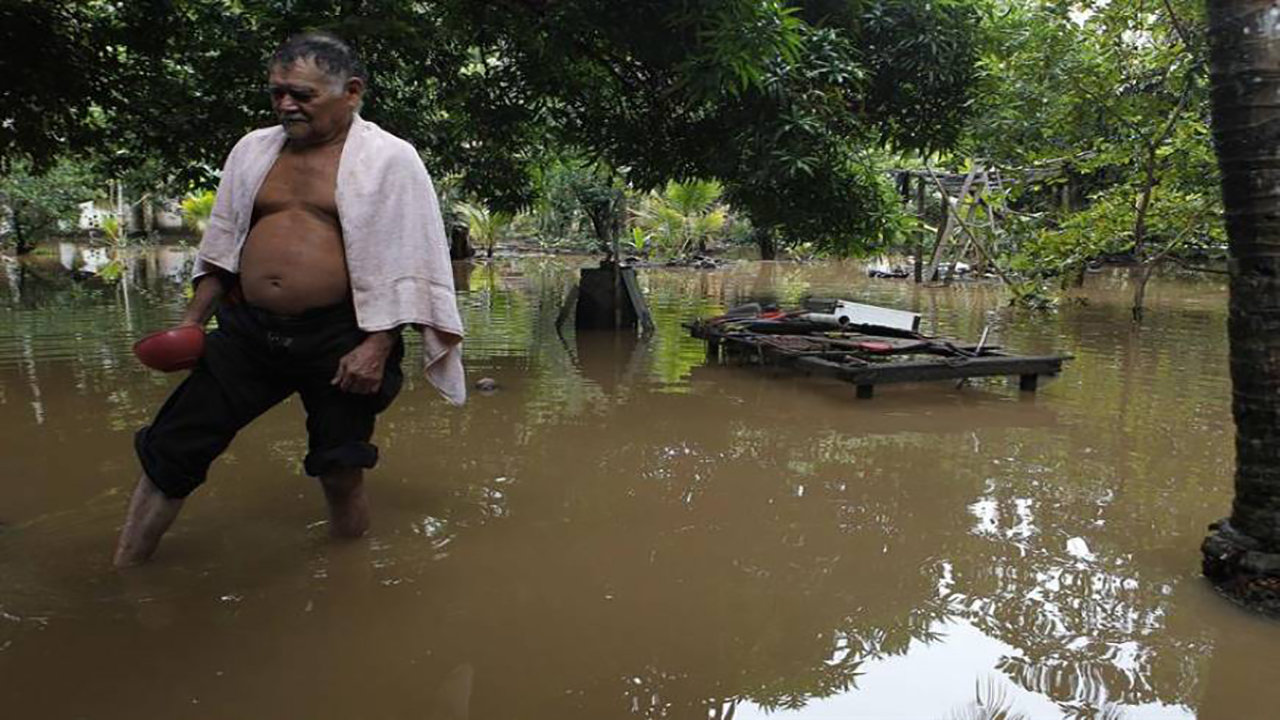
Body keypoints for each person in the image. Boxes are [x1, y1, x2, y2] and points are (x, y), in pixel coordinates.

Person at [113, 33, 466, 567]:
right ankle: (125, 571)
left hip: (342, 336)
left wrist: (376, 344)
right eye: (276, 92)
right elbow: (223, 246)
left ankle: (350, 580)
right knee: (172, 448)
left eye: (301, 94)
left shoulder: (391, 159)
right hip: (248, 332)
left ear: (351, 91)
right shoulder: (253, 150)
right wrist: (190, 325)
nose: (285, 105)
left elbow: (409, 259)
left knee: (339, 465)